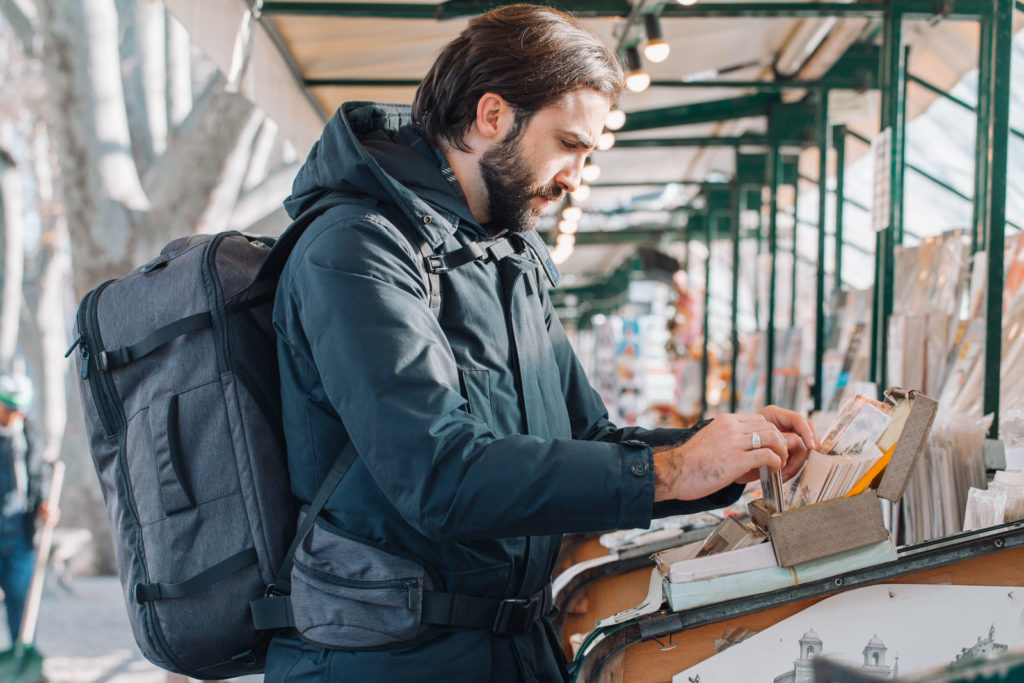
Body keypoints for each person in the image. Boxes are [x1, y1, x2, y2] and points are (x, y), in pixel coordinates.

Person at [266, 5, 817, 681]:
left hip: (509, 643)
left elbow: (589, 439)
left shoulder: (507, 256)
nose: (576, 178)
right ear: (492, 116)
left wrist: (719, 454)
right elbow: (439, 476)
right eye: (568, 145)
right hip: (387, 659)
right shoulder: (352, 249)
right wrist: (670, 472)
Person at [0, 372, 51, 644]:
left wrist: (43, 502)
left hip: (20, 535)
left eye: (19, 412)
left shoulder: (30, 434)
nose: (14, 417)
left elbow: (40, 473)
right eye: (9, 410)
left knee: (22, 601)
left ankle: (23, 659)